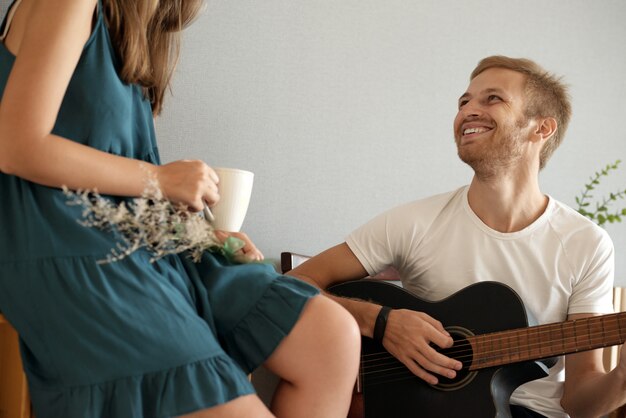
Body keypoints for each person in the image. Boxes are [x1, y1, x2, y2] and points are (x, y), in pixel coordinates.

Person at [0, 1, 361, 417]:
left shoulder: (129, 35)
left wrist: (205, 237)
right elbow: (18, 147)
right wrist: (160, 179)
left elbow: (113, 179)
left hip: (144, 245)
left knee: (331, 337)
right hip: (71, 247)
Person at [290, 55, 626, 418]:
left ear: (541, 129)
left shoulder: (585, 243)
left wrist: (622, 376)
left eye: (492, 99)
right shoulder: (415, 221)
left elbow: (580, 403)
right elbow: (294, 283)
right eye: (464, 101)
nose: (468, 110)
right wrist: (381, 322)